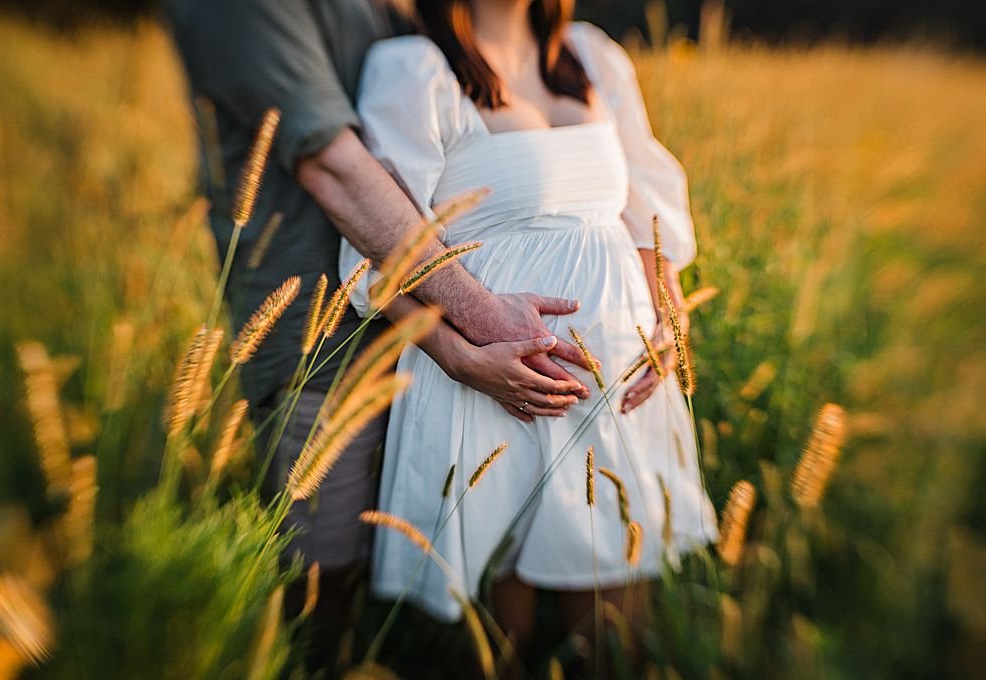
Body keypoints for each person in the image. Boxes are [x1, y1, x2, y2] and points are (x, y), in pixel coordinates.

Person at [163, 0, 595, 663]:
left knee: (454, 577)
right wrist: (479, 320)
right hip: (316, 340)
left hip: (429, 336)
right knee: (323, 578)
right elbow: (333, 164)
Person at [339, 0, 719, 663]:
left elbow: (646, 207)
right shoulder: (415, 69)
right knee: (492, 643)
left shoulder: (593, 56)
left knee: (613, 635)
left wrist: (669, 319)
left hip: (614, 392)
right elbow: (380, 251)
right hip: (489, 391)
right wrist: (462, 358)